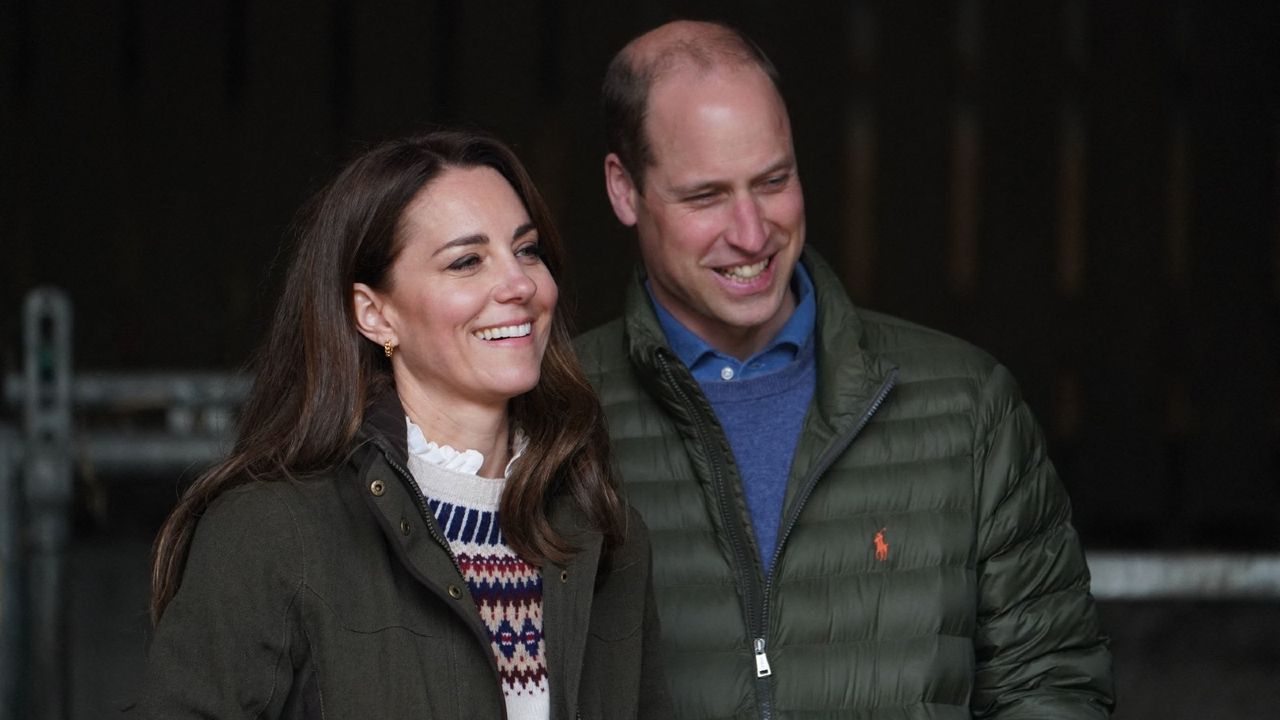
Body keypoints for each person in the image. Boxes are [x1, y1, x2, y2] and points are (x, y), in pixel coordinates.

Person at [575, 20, 1115, 719]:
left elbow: (1054, 685)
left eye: (773, 181)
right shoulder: (560, 408)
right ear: (624, 191)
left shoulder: (966, 405)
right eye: (706, 197)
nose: (750, 232)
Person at [135, 129, 671, 719]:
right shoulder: (269, 531)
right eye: (466, 261)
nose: (519, 285)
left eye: (526, 249)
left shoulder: (603, 530)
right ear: (375, 313)